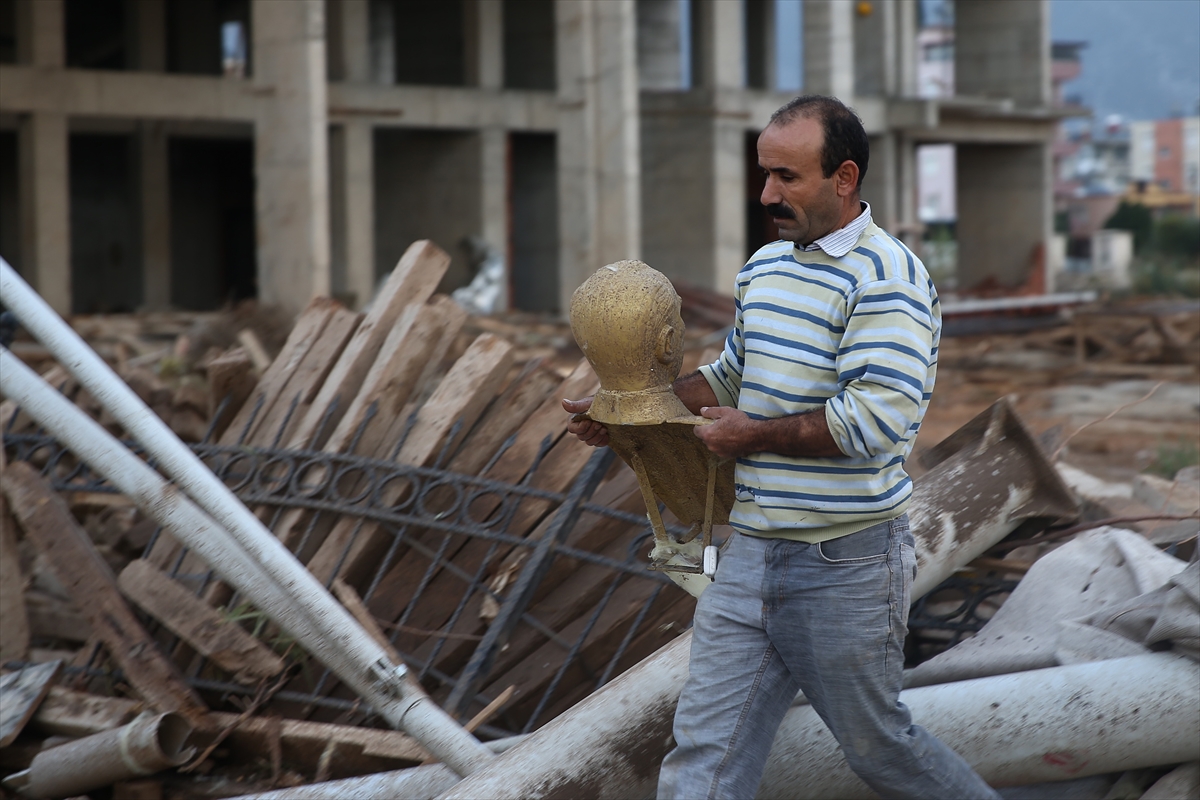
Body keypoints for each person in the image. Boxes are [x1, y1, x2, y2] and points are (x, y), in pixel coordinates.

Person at [563, 95, 1002, 800]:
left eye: (786, 178)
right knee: (703, 755)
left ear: (845, 177)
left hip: (845, 564)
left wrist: (751, 435)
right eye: (764, 174)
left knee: (879, 750)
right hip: (751, 556)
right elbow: (731, 376)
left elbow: (875, 422)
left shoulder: (886, 280)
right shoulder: (767, 270)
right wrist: (627, 413)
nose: (767, 194)